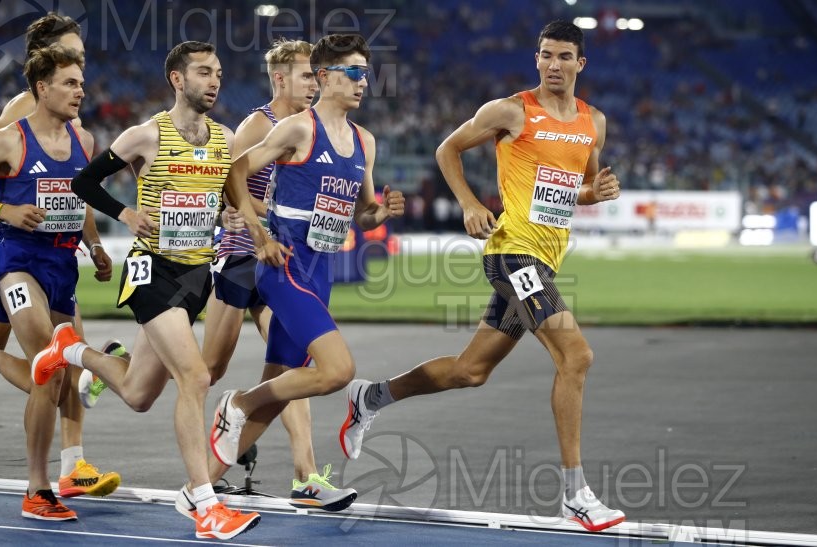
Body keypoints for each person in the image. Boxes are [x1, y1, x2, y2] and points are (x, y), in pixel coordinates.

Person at [339, 21, 627, 533]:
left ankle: (371, 396)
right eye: (545, 55)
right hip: (512, 256)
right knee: (576, 355)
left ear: (581, 64)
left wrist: (596, 192)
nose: (553, 64)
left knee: (470, 371)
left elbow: (576, 188)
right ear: (535, 58)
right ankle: (575, 494)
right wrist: (470, 204)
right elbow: (446, 149)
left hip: (544, 259)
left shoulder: (593, 123)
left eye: (564, 56)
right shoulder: (511, 110)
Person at [60, 41, 259, 540]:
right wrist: (125, 213)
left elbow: (218, 194)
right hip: (152, 270)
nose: (215, 81)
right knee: (195, 376)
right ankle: (204, 504)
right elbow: (84, 182)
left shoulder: (225, 138)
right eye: (204, 72)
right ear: (177, 79)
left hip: (197, 276)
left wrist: (226, 213)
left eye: (219, 73)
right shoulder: (145, 135)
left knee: (138, 393)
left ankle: (78, 353)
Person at [0, 12, 120, 502]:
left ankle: (73, 465)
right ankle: (46, 478)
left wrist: (93, 244)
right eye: (72, 58)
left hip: (54, 252)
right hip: (9, 243)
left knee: (54, 362)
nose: (81, 69)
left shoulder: (79, 127)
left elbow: (73, 193)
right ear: (44, 66)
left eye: (82, 61)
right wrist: (6, 208)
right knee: (48, 365)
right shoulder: (22, 109)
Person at [207, 34, 405, 483]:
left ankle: (200, 484)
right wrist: (259, 235)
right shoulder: (299, 128)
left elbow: (362, 215)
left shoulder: (364, 142)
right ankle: (236, 405)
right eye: (353, 72)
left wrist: (382, 212)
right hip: (285, 268)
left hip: (322, 272)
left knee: (278, 388)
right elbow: (236, 171)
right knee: (338, 370)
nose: (362, 82)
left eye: (365, 73)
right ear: (325, 76)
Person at [194, 38, 355, 512]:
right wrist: (270, 218)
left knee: (295, 363)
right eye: (306, 75)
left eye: (316, 75)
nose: (314, 83)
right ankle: (201, 465)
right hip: (243, 255)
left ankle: (305, 475)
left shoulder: (313, 127)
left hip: (282, 260)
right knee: (207, 370)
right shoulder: (260, 125)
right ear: (281, 79)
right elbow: (228, 183)